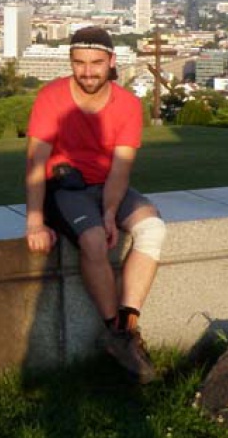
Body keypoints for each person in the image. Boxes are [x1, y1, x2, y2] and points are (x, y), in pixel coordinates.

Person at [25, 26, 166, 383]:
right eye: (80, 63)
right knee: (92, 240)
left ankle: (125, 328)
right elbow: (36, 160)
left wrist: (109, 211)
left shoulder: (128, 104)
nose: (87, 72)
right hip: (65, 188)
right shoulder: (52, 97)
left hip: (107, 186)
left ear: (111, 61)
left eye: (96, 63)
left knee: (153, 228)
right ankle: (116, 332)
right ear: (70, 61)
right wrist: (35, 220)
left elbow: (121, 168)